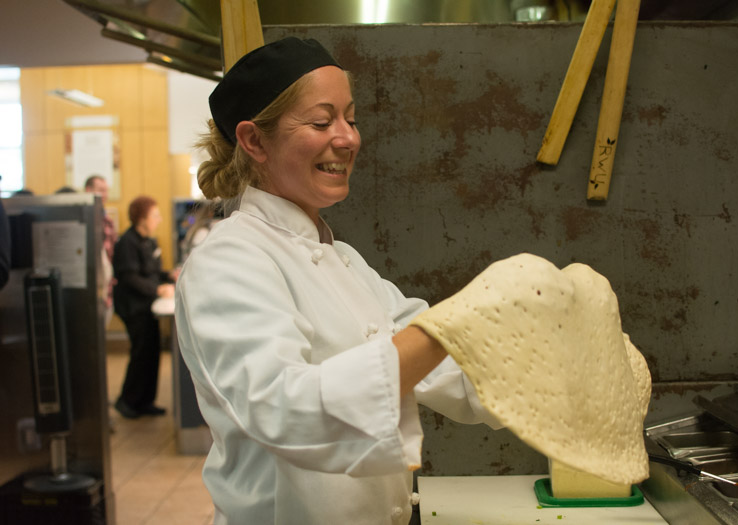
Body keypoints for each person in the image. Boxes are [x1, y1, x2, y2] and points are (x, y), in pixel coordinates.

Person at [174, 37, 502, 525]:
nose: (348, 138)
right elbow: (283, 409)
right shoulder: (227, 261)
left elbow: (447, 369)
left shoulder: (344, 260)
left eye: (351, 118)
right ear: (254, 141)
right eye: (322, 121)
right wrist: (451, 326)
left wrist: (554, 363)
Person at [113, 196, 176, 419]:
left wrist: (169, 275)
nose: (158, 220)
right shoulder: (126, 243)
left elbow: (151, 272)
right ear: (142, 218)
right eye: (155, 215)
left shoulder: (149, 241)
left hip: (147, 307)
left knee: (151, 353)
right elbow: (130, 277)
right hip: (133, 307)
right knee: (141, 354)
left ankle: (145, 401)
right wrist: (158, 290)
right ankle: (127, 401)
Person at [84, 175, 117, 326]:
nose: (105, 195)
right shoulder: (83, 220)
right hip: (87, 293)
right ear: (88, 190)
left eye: (106, 191)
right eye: (101, 190)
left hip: (107, 292)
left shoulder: (108, 222)